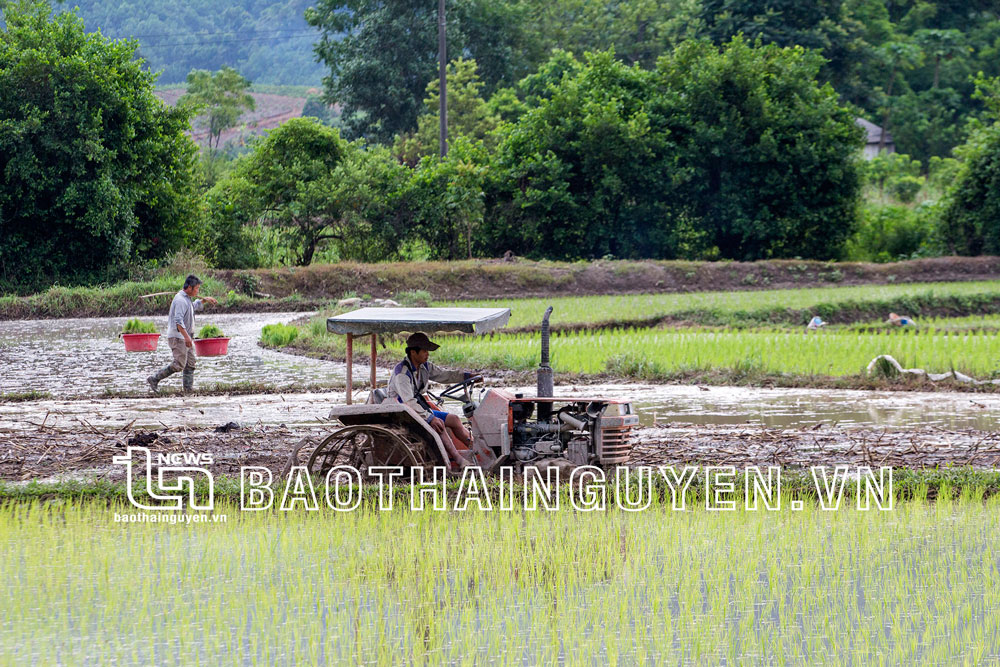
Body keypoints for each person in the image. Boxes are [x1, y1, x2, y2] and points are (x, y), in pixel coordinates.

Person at [386, 332, 481, 468]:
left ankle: (477, 451)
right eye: (424, 351)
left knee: (454, 419)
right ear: (413, 352)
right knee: (439, 424)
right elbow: (408, 402)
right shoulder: (402, 373)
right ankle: (459, 460)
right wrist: (430, 418)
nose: (427, 354)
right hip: (404, 412)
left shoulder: (425, 367)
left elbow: (444, 375)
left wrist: (467, 376)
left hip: (417, 408)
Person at [147, 275, 217, 393]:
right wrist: (186, 337)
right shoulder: (180, 300)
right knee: (179, 364)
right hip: (179, 337)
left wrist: (204, 300)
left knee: (190, 364)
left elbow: (192, 307)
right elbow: (178, 321)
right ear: (189, 287)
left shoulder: (187, 299)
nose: (198, 291)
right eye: (197, 289)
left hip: (186, 336)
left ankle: (188, 391)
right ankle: (154, 378)